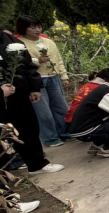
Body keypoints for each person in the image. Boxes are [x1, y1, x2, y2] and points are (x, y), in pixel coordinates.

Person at [0, 27, 64, 176]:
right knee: (5, 135)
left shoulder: (7, 40)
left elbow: (27, 64)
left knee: (28, 129)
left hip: (18, 96)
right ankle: (9, 170)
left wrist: (34, 87)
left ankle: (36, 164)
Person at [15, 15, 71, 147]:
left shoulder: (48, 42)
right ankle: (50, 138)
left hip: (53, 77)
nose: (37, 30)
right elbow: (21, 63)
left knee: (61, 107)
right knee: (43, 112)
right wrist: (37, 61)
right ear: (23, 28)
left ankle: (65, 132)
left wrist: (64, 76)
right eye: (33, 27)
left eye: (39, 26)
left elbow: (58, 59)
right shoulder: (19, 44)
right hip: (35, 80)